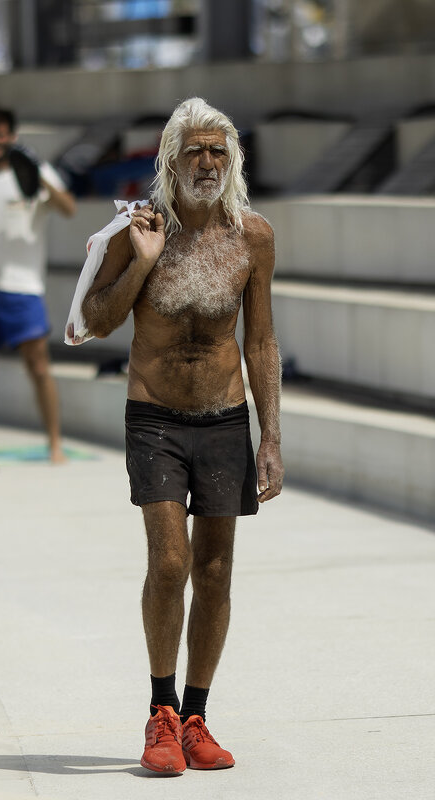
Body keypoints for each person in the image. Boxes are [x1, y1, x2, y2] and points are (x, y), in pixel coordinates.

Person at [80, 97, 283, 774]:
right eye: (195, 150)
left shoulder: (252, 236)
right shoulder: (137, 229)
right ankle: (160, 712)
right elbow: (96, 319)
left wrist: (271, 437)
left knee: (217, 571)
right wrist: (140, 261)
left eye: (218, 151)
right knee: (171, 564)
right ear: (170, 158)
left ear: (234, 160)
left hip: (226, 417)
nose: (207, 162)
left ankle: (196, 716)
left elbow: (260, 340)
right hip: (156, 416)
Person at [0, 106, 77, 465]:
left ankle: (55, 444)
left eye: (1, 134)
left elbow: (68, 208)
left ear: (12, 136)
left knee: (40, 367)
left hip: (24, 287)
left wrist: (37, 176)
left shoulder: (37, 172)